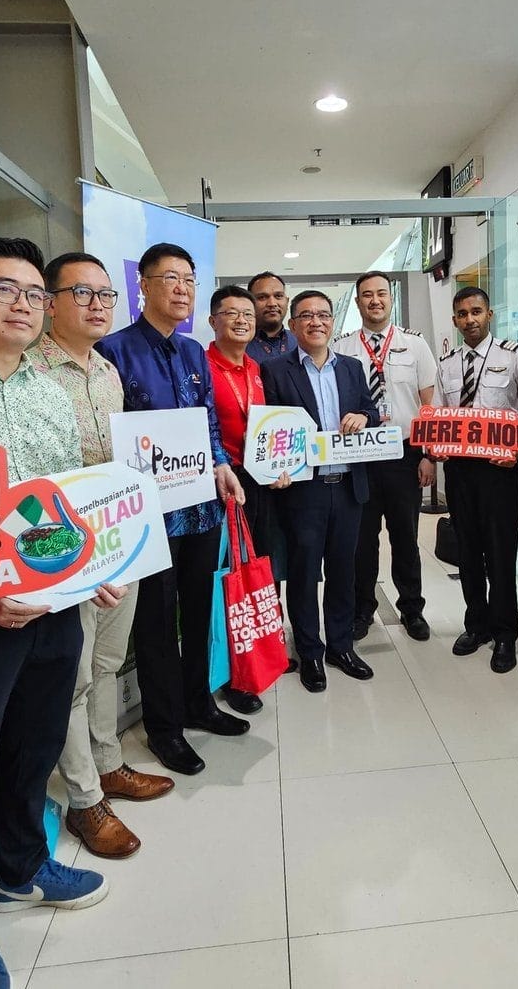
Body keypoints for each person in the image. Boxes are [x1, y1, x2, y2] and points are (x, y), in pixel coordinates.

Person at [0, 237, 126, 987]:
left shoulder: (49, 390)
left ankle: (21, 869)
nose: (24, 306)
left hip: (54, 600)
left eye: (33, 294)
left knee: (36, 740)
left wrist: (93, 564)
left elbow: (58, 500)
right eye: (5, 290)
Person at [34, 253, 174, 864]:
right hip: (67, 547)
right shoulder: (33, 372)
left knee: (111, 660)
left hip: (119, 535)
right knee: (77, 673)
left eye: (105, 295)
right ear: (50, 303)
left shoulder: (108, 370)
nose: (98, 305)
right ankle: (84, 797)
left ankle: (109, 763)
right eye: (82, 293)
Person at [97, 242, 248, 777]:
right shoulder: (113, 350)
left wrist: (221, 464)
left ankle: (198, 702)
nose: (183, 289)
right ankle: (164, 727)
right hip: (149, 514)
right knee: (157, 620)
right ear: (143, 285)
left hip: (200, 504)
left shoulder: (192, 352)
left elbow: (207, 419)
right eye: (170, 278)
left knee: (199, 605)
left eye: (189, 279)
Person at [262, 291, 380, 692]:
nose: (316, 322)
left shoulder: (351, 367)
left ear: (333, 322)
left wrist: (364, 416)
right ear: (293, 324)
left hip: (348, 487)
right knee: (304, 572)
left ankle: (341, 646)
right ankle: (310, 651)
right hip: (304, 492)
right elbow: (270, 430)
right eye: (307, 315)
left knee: (344, 571)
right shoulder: (275, 371)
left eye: (324, 315)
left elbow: (371, 410)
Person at [428, 288, 518, 673]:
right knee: (467, 551)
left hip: (499, 470)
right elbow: (438, 412)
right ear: (454, 320)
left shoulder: (514, 355)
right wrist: (434, 447)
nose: (469, 319)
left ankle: (505, 634)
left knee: (500, 553)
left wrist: (516, 450)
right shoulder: (447, 363)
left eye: (476, 311)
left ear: (490, 314)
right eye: (462, 314)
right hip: (459, 470)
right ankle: (476, 625)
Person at [334, 272, 436, 642]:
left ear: (390, 298)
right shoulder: (343, 348)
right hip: (361, 456)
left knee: (405, 536)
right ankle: (363, 609)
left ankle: (412, 608)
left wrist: (428, 455)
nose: (374, 300)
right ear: (357, 302)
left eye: (381, 293)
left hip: (405, 455)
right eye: (367, 295)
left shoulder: (415, 345)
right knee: (362, 539)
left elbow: (428, 403)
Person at [205, 285, 272, 715]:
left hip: (257, 483)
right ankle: (229, 675)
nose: (242, 320)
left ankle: (254, 656)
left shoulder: (257, 368)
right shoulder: (200, 366)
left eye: (248, 313)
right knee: (225, 580)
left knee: (253, 573)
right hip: (218, 485)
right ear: (213, 321)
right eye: (231, 313)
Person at [245, 272, 298, 363]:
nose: (272, 303)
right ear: (249, 303)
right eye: (262, 297)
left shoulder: (301, 341)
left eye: (278, 296)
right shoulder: (238, 345)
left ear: (287, 301)